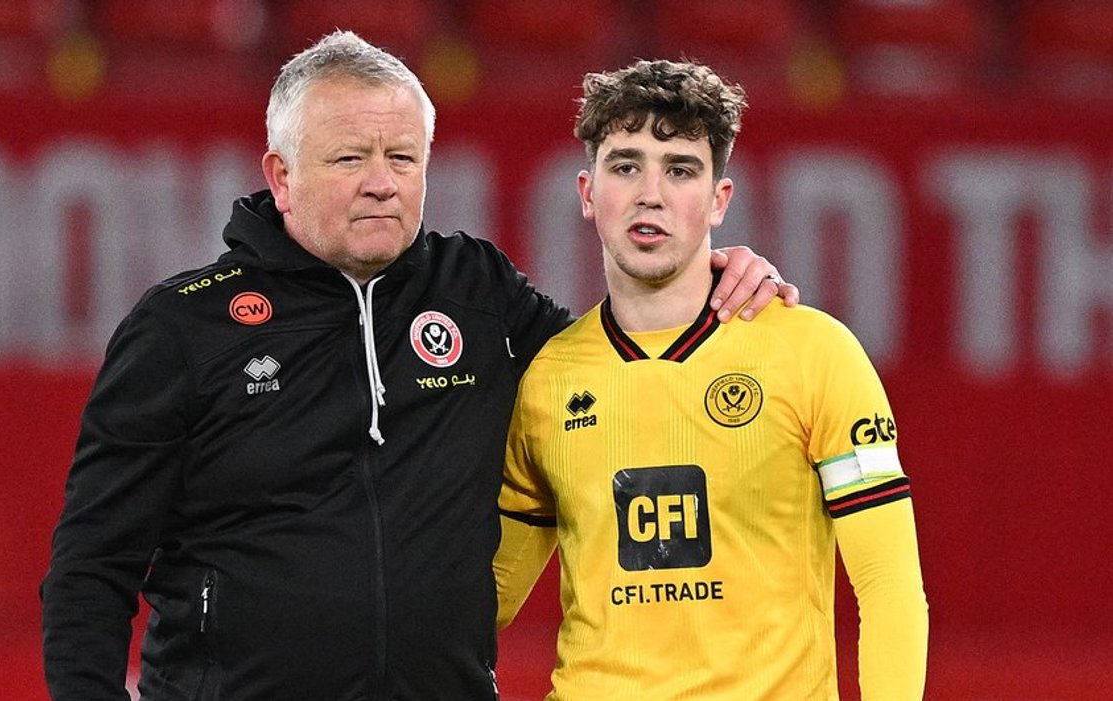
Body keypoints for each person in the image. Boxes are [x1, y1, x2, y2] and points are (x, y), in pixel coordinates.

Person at [40, 32, 797, 701]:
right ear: (280, 174)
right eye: (349, 158)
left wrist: (704, 279)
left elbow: (614, 368)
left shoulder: (475, 289)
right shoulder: (183, 326)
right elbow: (91, 565)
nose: (382, 180)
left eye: (402, 157)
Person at [493, 59, 928, 700]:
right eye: (625, 166)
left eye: (680, 169)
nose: (651, 192)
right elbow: (486, 599)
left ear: (719, 200)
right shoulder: (546, 380)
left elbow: (889, 585)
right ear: (587, 194)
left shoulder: (815, 353)